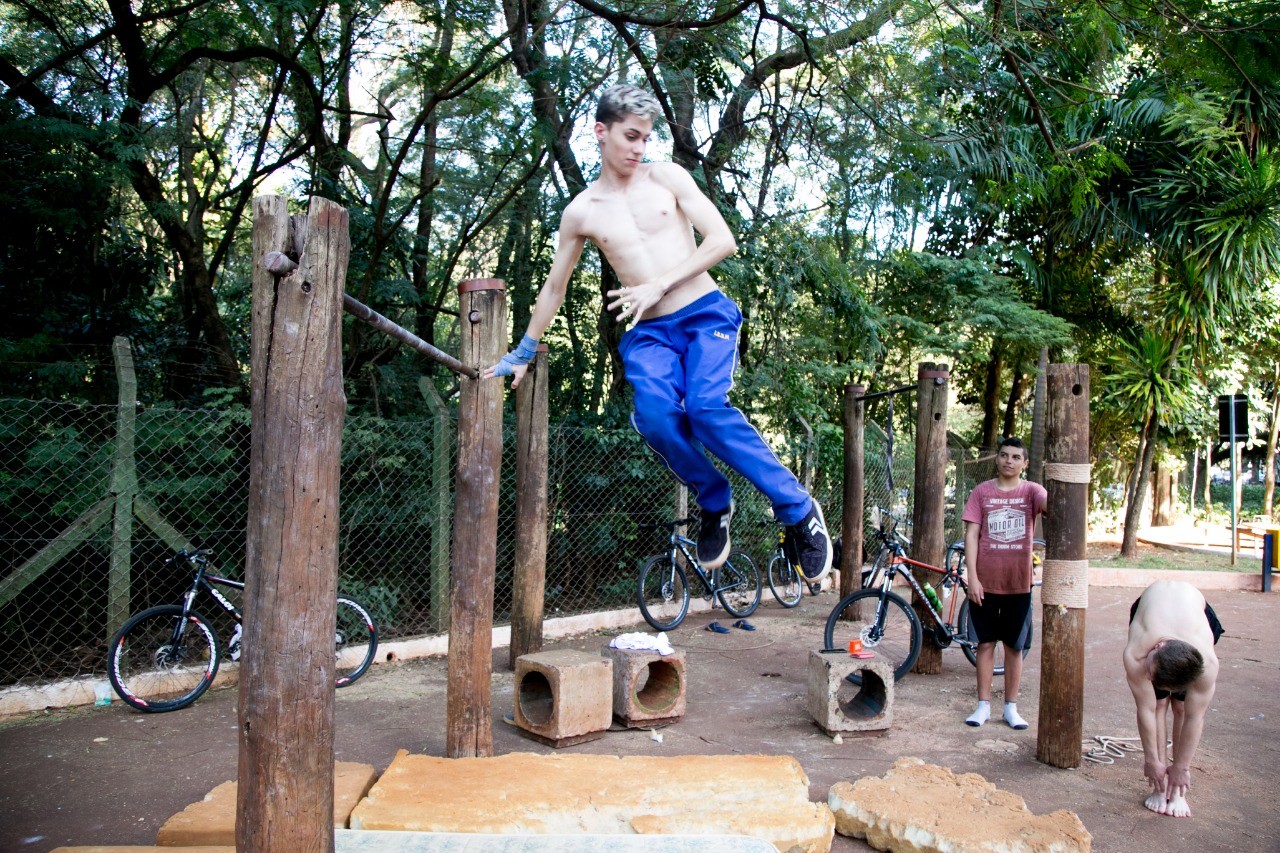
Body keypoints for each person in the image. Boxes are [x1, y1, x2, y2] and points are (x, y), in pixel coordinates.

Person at [483, 84, 832, 581]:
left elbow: (723, 240)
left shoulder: (666, 176)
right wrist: (524, 350)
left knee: (706, 409)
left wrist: (659, 285)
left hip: (704, 313)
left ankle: (797, 510)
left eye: (646, 138)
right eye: (630, 136)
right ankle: (714, 501)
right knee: (655, 417)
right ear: (600, 131)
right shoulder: (581, 212)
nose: (639, 148)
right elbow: (554, 286)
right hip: (650, 333)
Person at [960, 437, 1046, 729]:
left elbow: (1051, 505)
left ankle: (1011, 708)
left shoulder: (1032, 491)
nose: (1009, 461)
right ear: (997, 458)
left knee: (1014, 647)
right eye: (1004, 455)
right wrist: (972, 577)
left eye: (1015, 457)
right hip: (984, 582)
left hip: (1019, 584)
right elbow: (971, 535)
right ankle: (983, 706)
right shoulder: (981, 493)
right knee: (984, 644)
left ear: (1025, 463)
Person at [1122, 579, 1222, 818]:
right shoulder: (1137, 654)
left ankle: (1178, 792)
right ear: (1158, 647)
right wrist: (1151, 760)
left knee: (1181, 706)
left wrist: (1182, 767)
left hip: (1197, 610)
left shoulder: (1208, 665)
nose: (1145, 675)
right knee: (1158, 703)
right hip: (1151, 605)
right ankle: (1161, 787)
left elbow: (1195, 717)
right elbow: (1145, 709)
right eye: (1150, 671)